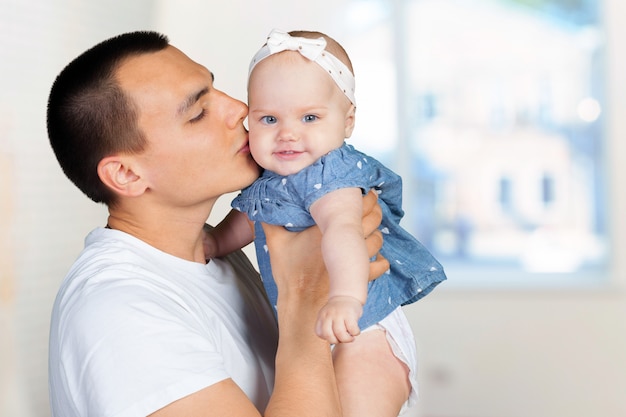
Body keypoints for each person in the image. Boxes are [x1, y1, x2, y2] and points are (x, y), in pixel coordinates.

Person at [46, 30, 388, 417]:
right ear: (126, 174)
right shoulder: (118, 315)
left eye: (215, 88)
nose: (240, 109)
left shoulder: (217, 250)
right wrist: (307, 303)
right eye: (198, 113)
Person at [205, 29, 447, 416]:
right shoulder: (271, 177)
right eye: (269, 118)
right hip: (317, 329)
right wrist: (214, 243)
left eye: (310, 117)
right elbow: (251, 219)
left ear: (347, 121)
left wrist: (345, 298)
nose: (287, 133)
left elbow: (343, 232)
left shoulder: (331, 175)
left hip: (366, 328)